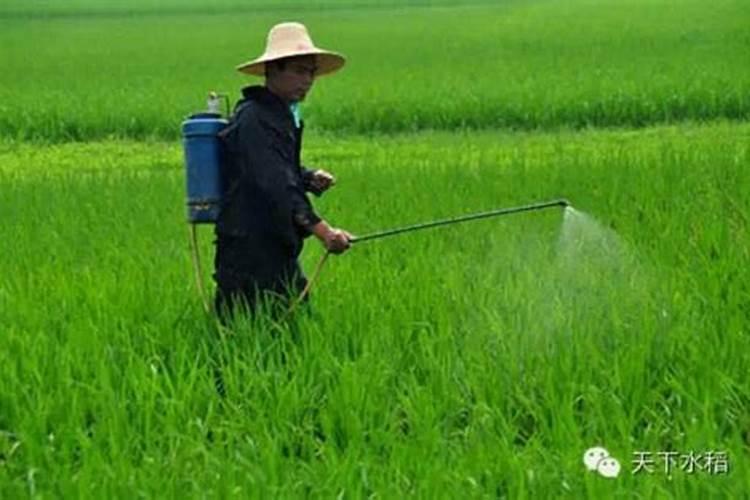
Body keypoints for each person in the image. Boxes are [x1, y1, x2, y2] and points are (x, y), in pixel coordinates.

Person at [214, 22, 352, 320]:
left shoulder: (278, 116)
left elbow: (279, 168)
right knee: (244, 332)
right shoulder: (254, 119)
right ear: (274, 69)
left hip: (275, 243)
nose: (308, 80)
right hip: (248, 250)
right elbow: (274, 183)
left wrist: (307, 176)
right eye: (299, 71)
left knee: (291, 324)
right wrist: (323, 231)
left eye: (311, 72)